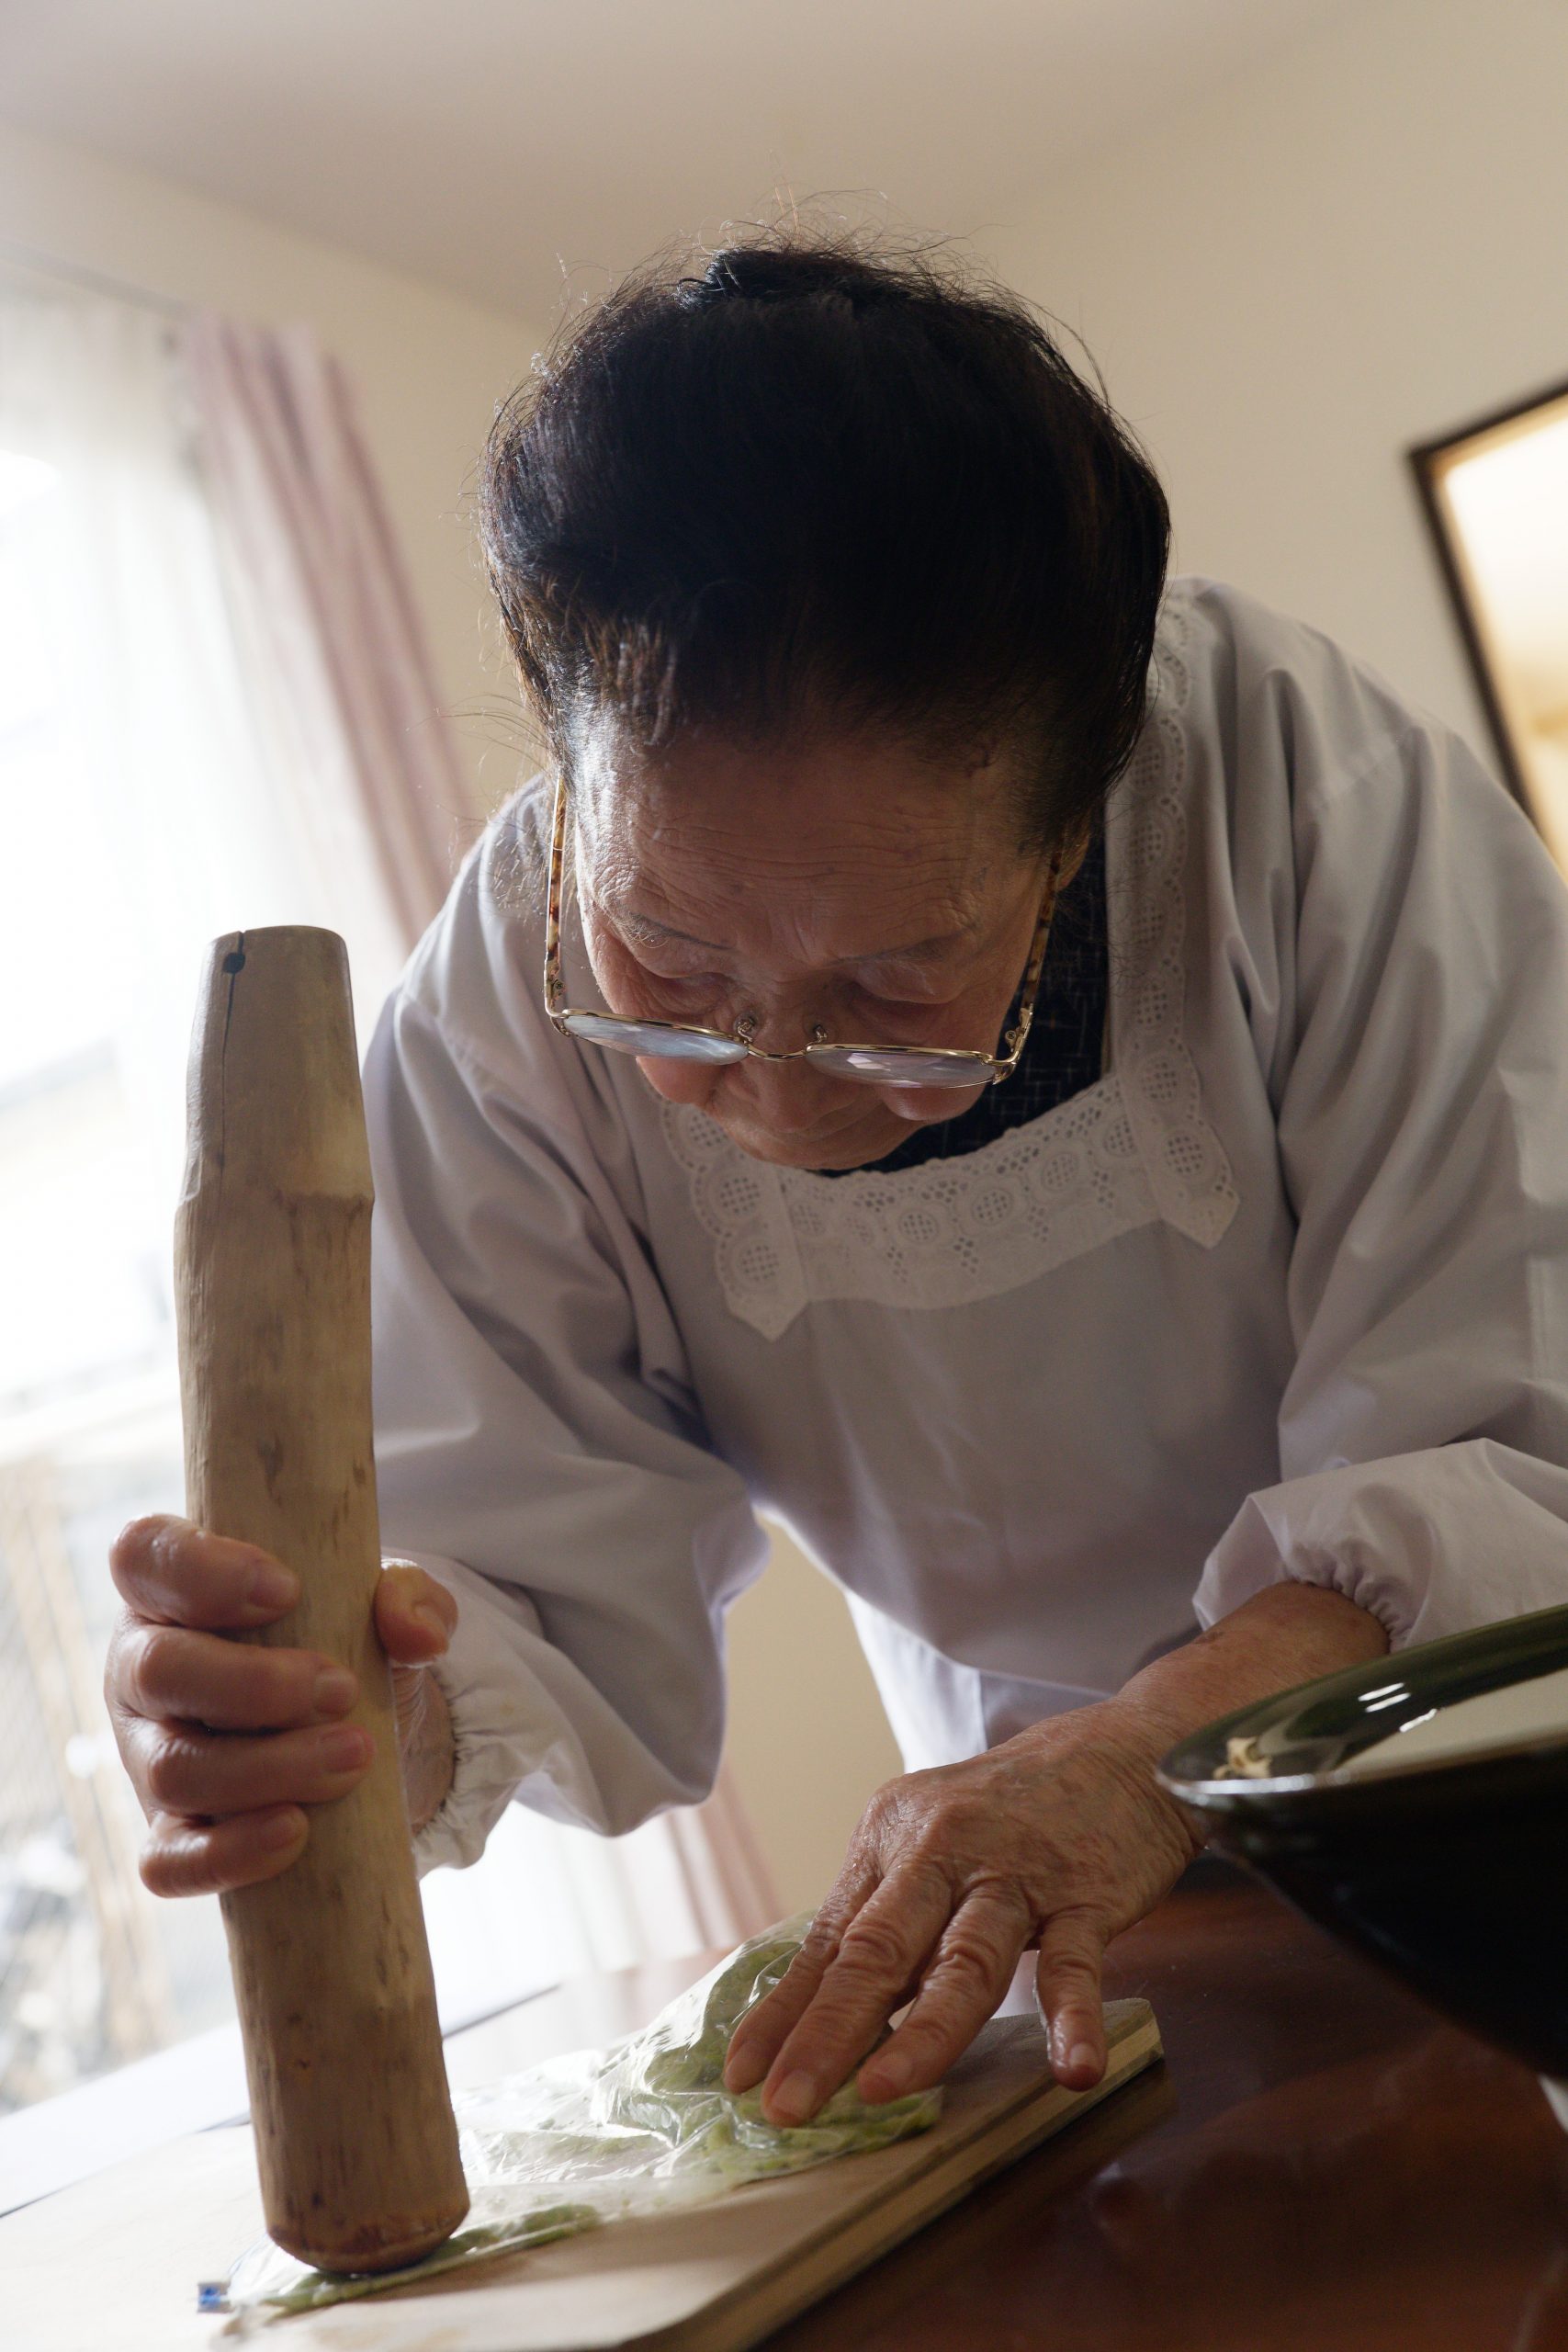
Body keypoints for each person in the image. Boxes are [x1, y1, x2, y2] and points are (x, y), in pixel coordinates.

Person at [106, 234, 1568, 2125]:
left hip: (1486, 1790)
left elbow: (1512, 1437)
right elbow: (514, 1558)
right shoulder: (494, 1006)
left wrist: (1146, 1748)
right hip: (1020, 1865)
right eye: (665, 965)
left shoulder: (1301, 799)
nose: (778, 1088)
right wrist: (351, 1708)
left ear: (1075, 825)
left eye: (894, 986)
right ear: (569, 786)